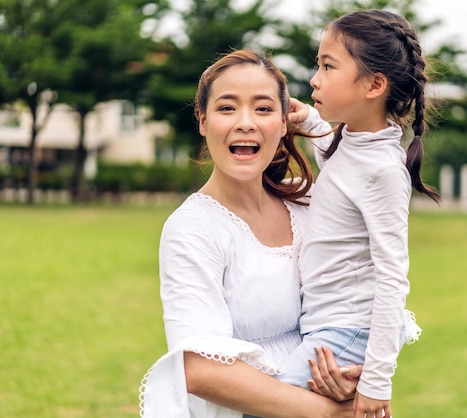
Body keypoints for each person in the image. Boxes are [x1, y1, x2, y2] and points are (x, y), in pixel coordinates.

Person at [139, 49, 358, 418]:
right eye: (227, 108)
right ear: (203, 121)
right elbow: (202, 370)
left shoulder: (307, 202)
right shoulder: (192, 228)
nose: (245, 122)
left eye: (263, 108)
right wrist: (329, 412)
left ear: (284, 122)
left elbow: (369, 181)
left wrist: (353, 375)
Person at [278, 9, 440, 418]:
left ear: (374, 85)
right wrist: (309, 118)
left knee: (265, 403)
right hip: (325, 322)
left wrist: (377, 381)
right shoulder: (349, 143)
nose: (315, 79)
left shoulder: (383, 170)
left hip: (348, 329)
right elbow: (334, 155)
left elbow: (392, 276)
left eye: (328, 66)